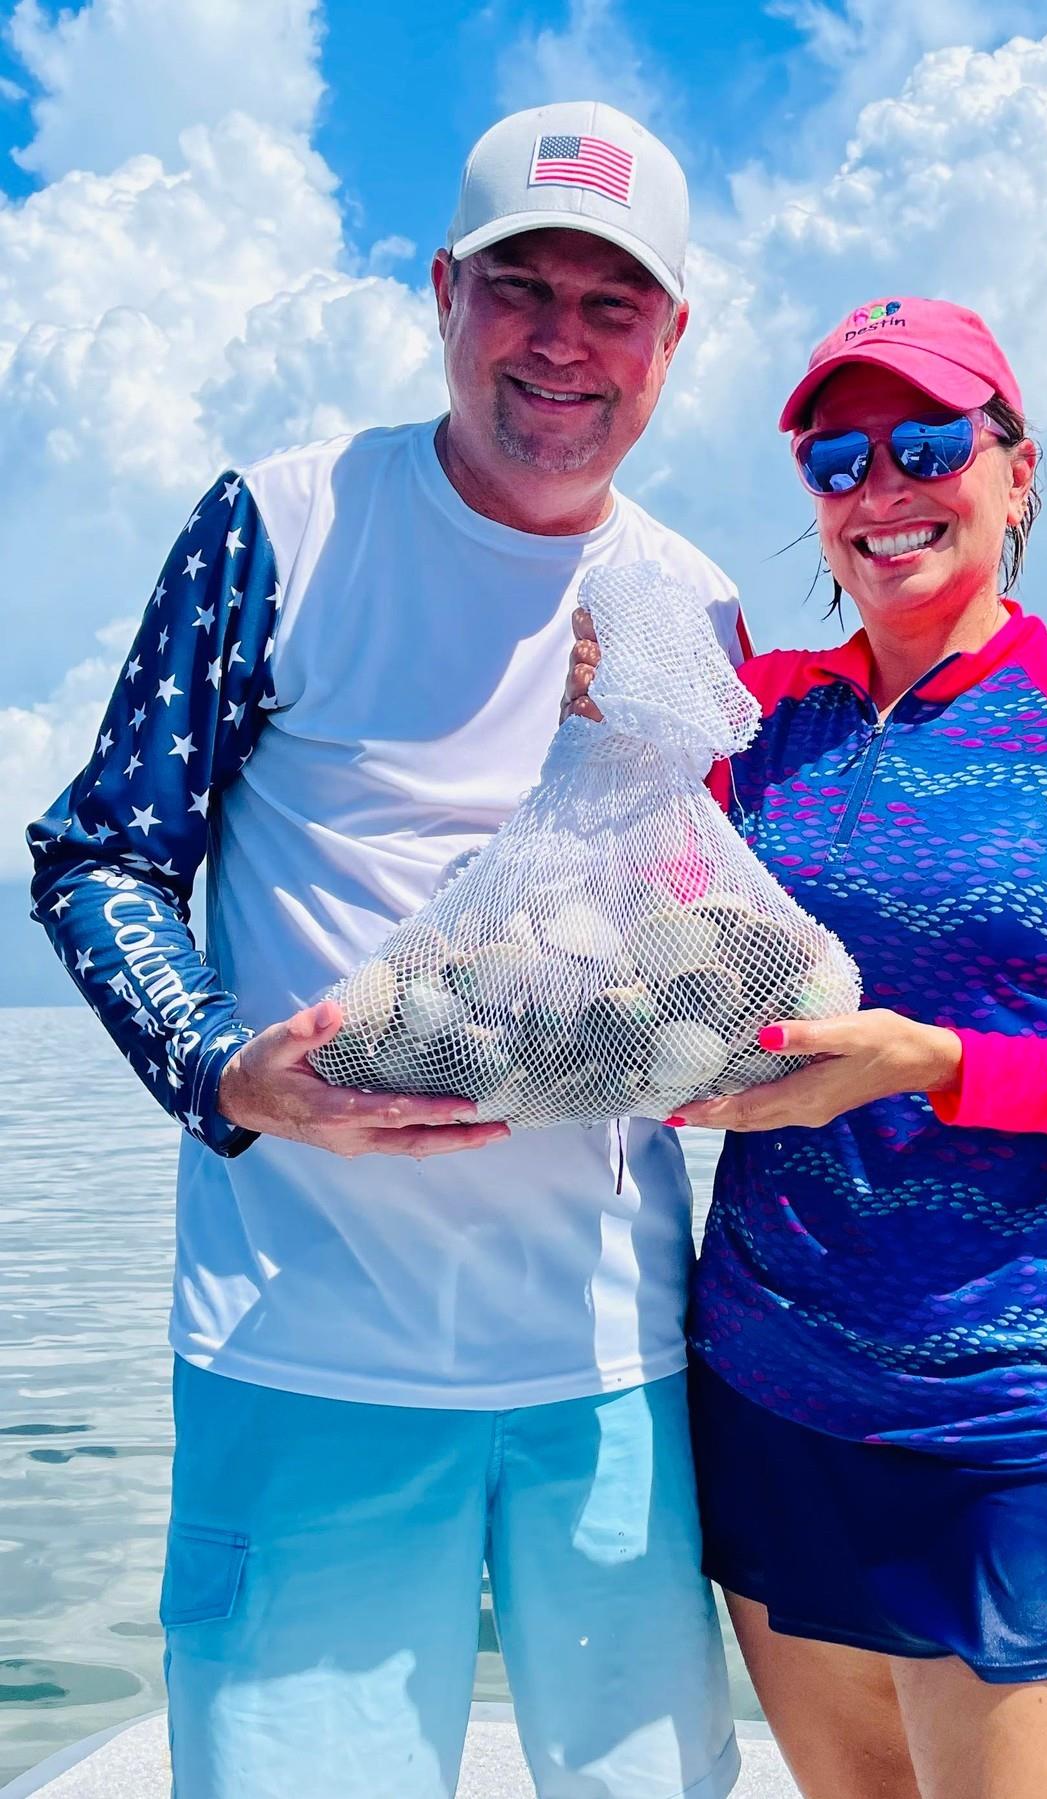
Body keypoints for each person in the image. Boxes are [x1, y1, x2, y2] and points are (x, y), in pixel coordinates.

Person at [28, 101, 748, 1799]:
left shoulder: (699, 604)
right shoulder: (279, 526)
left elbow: (707, 939)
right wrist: (225, 1067)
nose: (562, 343)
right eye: (523, 288)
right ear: (442, 292)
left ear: (672, 340)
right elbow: (99, 852)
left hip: (614, 1370)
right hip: (304, 1351)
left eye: (612, 303)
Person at [563, 296, 1047, 1799]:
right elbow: (649, 962)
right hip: (765, 1385)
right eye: (838, 461)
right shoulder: (754, 713)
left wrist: (942, 1060)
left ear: (1017, 472)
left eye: (930, 444)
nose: (883, 491)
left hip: (1020, 1411)